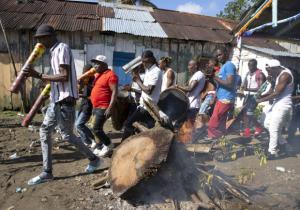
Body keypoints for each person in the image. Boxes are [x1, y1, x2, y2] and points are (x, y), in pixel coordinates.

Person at [24, 24, 100, 185]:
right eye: (38, 39)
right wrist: (44, 83)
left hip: (65, 102)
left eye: (43, 38)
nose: (41, 41)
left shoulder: (62, 48)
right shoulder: (53, 52)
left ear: (52, 36)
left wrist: (38, 75)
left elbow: (64, 76)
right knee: (44, 130)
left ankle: (94, 159)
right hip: (57, 100)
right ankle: (47, 172)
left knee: (68, 136)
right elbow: (58, 78)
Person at [256, 59, 294, 159]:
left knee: (273, 128)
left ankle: (272, 152)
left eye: (269, 70)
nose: (268, 73)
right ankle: (284, 144)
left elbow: (277, 93)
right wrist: (260, 96)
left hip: (283, 104)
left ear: (275, 68)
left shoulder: (284, 75)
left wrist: (260, 100)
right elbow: (274, 91)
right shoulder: (278, 74)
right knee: (266, 123)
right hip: (278, 103)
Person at [122, 50, 163, 140]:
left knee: (128, 124)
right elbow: (144, 87)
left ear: (151, 60)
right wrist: (137, 76)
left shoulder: (156, 71)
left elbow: (148, 90)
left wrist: (137, 80)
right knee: (152, 129)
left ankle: (125, 144)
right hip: (145, 106)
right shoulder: (149, 70)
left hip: (148, 107)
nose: (143, 64)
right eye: (143, 61)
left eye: (145, 61)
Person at [90, 55, 118, 157]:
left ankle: (109, 145)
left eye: (98, 63)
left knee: (96, 128)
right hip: (95, 106)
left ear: (104, 65)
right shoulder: (98, 75)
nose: (95, 66)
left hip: (104, 107)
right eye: (94, 63)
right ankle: (99, 146)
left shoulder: (111, 75)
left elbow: (114, 91)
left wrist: (110, 107)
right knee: (94, 128)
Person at [207, 47, 237, 139]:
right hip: (222, 98)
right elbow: (220, 85)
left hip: (225, 99)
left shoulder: (229, 65)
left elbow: (229, 83)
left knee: (212, 125)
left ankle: (217, 138)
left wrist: (214, 77)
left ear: (226, 53)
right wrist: (212, 79)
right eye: (217, 56)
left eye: (220, 54)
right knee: (220, 125)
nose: (218, 57)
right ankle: (221, 141)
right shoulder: (223, 67)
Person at [240, 59, 266, 137]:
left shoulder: (260, 74)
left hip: (255, 96)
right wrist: (242, 88)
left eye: (251, 65)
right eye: (249, 65)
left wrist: (247, 89)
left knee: (249, 113)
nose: (250, 67)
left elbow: (260, 88)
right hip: (247, 95)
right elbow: (244, 85)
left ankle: (258, 127)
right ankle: (247, 131)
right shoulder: (248, 73)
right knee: (244, 113)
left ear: (255, 65)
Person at [75, 64, 95, 146]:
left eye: (86, 72)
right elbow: (80, 89)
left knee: (79, 124)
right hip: (82, 105)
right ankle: (86, 140)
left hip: (88, 106)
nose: (84, 74)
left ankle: (92, 139)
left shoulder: (94, 82)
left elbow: (92, 97)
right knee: (76, 125)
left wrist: (82, 95)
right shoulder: (86, 80)